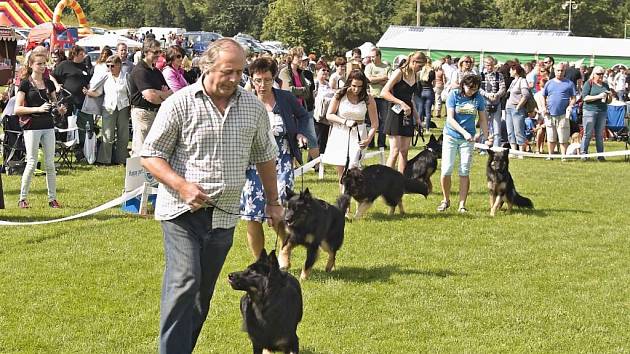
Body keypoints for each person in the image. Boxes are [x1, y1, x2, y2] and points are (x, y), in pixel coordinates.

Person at [140, 38, 283, 354]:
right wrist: (181, 185)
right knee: (185, 280)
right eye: (228, 71)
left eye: (239, 72)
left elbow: (265, 156)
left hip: (225, 215)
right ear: (207, 66)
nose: (234, 79)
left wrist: (273, 203)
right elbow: (150, 155)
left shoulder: (252, 108)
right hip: (180, 213)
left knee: (201, 295)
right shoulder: (179, 103)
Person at [240, 57, 308, 259]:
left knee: (279, 212)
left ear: (274, 78)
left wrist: (300, 133)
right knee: (252, 215)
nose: (262, 85)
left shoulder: (285, 98)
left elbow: (304, 116)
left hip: (282, 161)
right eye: (258, 80)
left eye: (267, 80)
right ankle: (260, 262)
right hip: (252, 165)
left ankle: (285, 250)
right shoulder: (242, 100)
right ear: (251, 79)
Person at [15, 53, 67, 208]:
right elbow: (17, 108)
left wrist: (60, 109)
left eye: (44, 63)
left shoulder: (49, 83)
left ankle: (52, 199)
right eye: (39, 64)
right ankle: (22, 199)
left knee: (50, 164)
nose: (43, 66)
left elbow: (55, 104)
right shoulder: (25, 84)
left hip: (48, 126)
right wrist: (37, 108)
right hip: (32, 127)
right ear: (31, 65)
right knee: (31, 162)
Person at [437, 74, 489, 213]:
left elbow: (483, 119)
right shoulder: (453, 95)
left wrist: (486, 136)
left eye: (475, 89)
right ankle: (446, 200)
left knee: (464, 171)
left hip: (468, 140)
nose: (471, 91)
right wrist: (464, 133)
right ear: (463, 85)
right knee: (446, 169)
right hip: (451, 136)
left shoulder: (478, 98)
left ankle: (462, 205)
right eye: (469, 88)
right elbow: (450, 119)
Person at [322, 69, 378, 187]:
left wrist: (368, 139)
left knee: (353, 167)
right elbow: (329, 115)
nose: (356, 89)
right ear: (349, 82)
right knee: (342, 173)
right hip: (341, 132)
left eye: (360, 86)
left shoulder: (368, 98)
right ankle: (344, 202)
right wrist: (344, 121)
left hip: (358, 134)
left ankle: (354, 197)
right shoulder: (340, 94)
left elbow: (375, 123)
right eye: (354, 86)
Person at [381, 51, 425, 173]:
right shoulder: (399, 72)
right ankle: (387, 182)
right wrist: (400, 103)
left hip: (408, 113)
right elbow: (384, 92)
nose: (420, 69)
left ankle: (401, 182)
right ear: (413, 62)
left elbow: (411, 99)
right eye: (419, 66)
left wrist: (417, 118)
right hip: (395, 112)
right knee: (394, 151)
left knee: (404, 151)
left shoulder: (416, 76)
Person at [129, 39, 172, 156]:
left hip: (156, 113)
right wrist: (161, 94)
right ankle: (137, 174)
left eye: (159, 52)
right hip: (143, 114)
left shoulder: (156, 71)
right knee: (141, 149)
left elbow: (170, 92)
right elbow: (151, 97)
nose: (158, 55)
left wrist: (159, 94)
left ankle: (149, 174)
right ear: (146, 52)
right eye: (155, 52)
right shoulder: (140, 71)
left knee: (153, 149)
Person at [278, 47, 319, 164]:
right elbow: (288, 90)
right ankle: (294, 165)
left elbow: (308, 91)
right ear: (291, 58)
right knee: (292, 139)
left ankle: (317, 166)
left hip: (302, 110)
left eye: (302, 56)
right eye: (299, 57)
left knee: (311, 138)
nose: (301, 59)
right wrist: (302, 90)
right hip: (289, 111)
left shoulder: (300, 72)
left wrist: (300, 91)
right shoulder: (284, 72)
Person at [52, 45, 92, 155]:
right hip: (67, 98)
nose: (83, 56)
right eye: (81, 54)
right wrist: (56, 85)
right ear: (74, 54)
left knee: (79, 123)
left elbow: (87, 80)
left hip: (81, 100)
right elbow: (52, 76)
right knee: (64, 122)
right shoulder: (64, 65)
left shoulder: (84, 66)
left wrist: (88, 88)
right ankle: (62, 146)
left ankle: (78, 146)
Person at [92, 55, 130, 165]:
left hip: (123, 107)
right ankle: (104, 160)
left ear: (119, 65)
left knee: (123, 135)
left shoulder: (126, 76)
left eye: (112, 66)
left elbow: (130, 92)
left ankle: (121, 159)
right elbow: (98, 91)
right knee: (107, 134)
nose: (110, 68)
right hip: (108, 107)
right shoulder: (105, 76)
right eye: (108, 66)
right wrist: (89, 93)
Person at [542, 63, 576, 158]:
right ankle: (550, 155)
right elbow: (543, 96)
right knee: (551, 136)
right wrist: (544, 107)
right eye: (558, 70)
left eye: (562, 70)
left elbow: (573, 98)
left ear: (564, 71)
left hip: (563, 115)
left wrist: (570, 105)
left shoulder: (569, 83)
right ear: (554, 71)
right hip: (550, 114)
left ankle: (563, 156)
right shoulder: (549, 83)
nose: (560, 72)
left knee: (563, 137)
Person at [580, 66, 611, 160]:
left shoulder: (605, 85)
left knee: (600, 134)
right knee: (587, 133)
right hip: (589, 111)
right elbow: (585, 98)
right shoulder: (588, 83)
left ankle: (600, 155)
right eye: (598, 74)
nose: (601, 76)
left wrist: (609, 97)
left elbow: (609, 101)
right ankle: (583, 154)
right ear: (593, 74)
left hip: (602, 111)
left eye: (602, 74)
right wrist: (599, 96)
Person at [364, 47, 390, 148]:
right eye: (370, 57)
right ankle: (370, 142)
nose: (371, 59)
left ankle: (381, 143)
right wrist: (383, 78)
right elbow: (368, 79)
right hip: (372, 97)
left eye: (373, 56)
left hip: (383, 97)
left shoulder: (386, 67)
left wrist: (375, 80)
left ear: (379, 56)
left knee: (383, 121)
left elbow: (389, 81)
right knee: (370, 121)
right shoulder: (368, 67)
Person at [480, 56, 506, 148]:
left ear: (494, 65)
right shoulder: (481, 75)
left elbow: (503, 88)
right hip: (484, 103)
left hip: (496, 103)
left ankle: (496, 147)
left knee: (497, 127)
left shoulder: (499, 75)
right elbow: (479, 89)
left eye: (491, 65)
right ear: (485, 65)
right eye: (487, 65)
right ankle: (483, 147)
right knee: (484, 126)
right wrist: (487, 95)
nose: (489, 67)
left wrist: (497, 95)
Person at [505, 64, 531, 154]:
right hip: (508, 108)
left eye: (511, 70)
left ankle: (521, 152)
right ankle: (513, 151)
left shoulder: (522, 81)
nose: (509, 72)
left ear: (515, 70)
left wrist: (518, 106)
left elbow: (526, 95)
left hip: (517, 108)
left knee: (518, 130)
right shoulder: (513, 81)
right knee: (510, 130)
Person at [415, 59, 435, 130]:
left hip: (421, 92)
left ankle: (419, 127)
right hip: (429, 91)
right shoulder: (432, 72)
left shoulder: (420, 72)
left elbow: (418, 83)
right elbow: (434, 84)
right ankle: (427, 129)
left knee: (419, 110)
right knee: (428, 111)